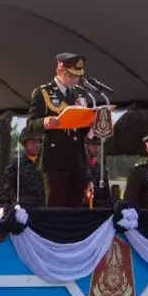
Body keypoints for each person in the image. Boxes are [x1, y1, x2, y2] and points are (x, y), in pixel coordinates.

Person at [27, 52, 92, 207]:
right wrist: (45, 122)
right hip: (55, 161)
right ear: (59, 70)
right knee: (55, 208)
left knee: (74, 209)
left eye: (77, 77)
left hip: (77, 161)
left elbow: (80, 128)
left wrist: (92, 125)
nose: (74, 80)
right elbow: (31, 126)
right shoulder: (44, 92)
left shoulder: (79, 93)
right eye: (70, 76)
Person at [0, 121, 46, 210]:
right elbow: (4, 193)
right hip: (23, 211)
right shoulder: (15, 165)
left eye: (39, 142)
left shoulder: (44, 163)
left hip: (42, 210)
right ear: (24, 143)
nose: (37, 145)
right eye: (33, 142)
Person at [84, 137, 114, 208]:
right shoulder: (81, 168)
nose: (96, 147)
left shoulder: (102, 169)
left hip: (99, 207)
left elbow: (107, 193)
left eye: (97, 145)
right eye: (93, 144)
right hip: (83, 207)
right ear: (85, 146)